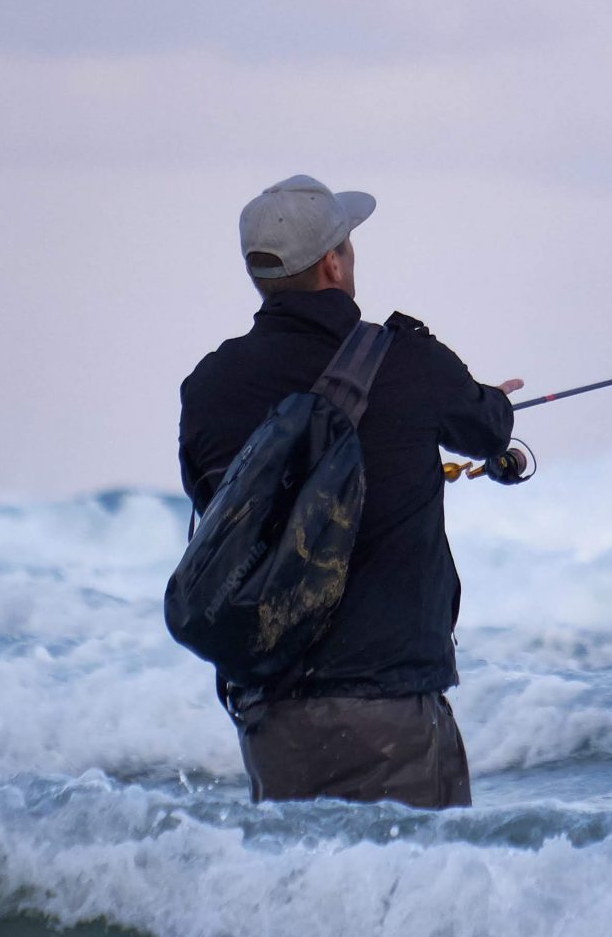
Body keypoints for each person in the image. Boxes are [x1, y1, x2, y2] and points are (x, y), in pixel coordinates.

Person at [177, 174, 521, 808]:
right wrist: (493, 400)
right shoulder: (409, 362)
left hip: (270, 718)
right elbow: (488, 427)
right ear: (333, 263)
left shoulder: (209, 386)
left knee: (298, 898)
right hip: (389, 709)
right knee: (419, 896)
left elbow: (214, 511)